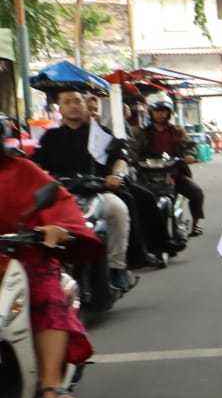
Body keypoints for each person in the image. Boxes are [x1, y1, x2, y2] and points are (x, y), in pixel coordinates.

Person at [2, 135, 99, 398]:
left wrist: (55, 229)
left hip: (23, 256)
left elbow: (58, 202)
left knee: (47, 297)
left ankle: (50, 384)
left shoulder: (23, 170)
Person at [32, 87, 140, 291]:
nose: (73, 105)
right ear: (59, 108)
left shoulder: (101, 134)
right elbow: (35, 166)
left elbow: (120, 159)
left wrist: (116, 176)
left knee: (118, 209)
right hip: (61, 195)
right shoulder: (50, 137)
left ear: (85, 104)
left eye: (77, 101)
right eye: (67, 102)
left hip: (97, 192)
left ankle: (117, 267)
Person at [129, 93, 206, 237]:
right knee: (135, 198)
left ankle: (195, 224)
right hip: (147, 176)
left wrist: (190, 155)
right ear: (151, 112)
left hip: (174, 174)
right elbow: (132, 149)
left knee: (197, 193)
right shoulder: (141, 133)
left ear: (169, 113)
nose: (161, 114)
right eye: (157, 111)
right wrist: (131, 158)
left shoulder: (177, 131)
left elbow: (189, 146)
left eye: (164, 111)